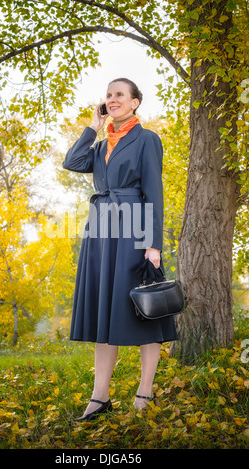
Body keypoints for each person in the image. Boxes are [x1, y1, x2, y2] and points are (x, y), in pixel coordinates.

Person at [62, 78, 177, 421]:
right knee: (104, 313)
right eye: (109, 95)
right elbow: (72, 161)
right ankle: (99, 397)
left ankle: (144, 392)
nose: (112, 99)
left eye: (120, 95)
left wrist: (153, 244)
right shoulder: (98, 147)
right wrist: (93, 128)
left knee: (146, 310)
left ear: (135, 102)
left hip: (133, 228)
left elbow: (154, 192)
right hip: (101, 230)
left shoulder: (147, 139)